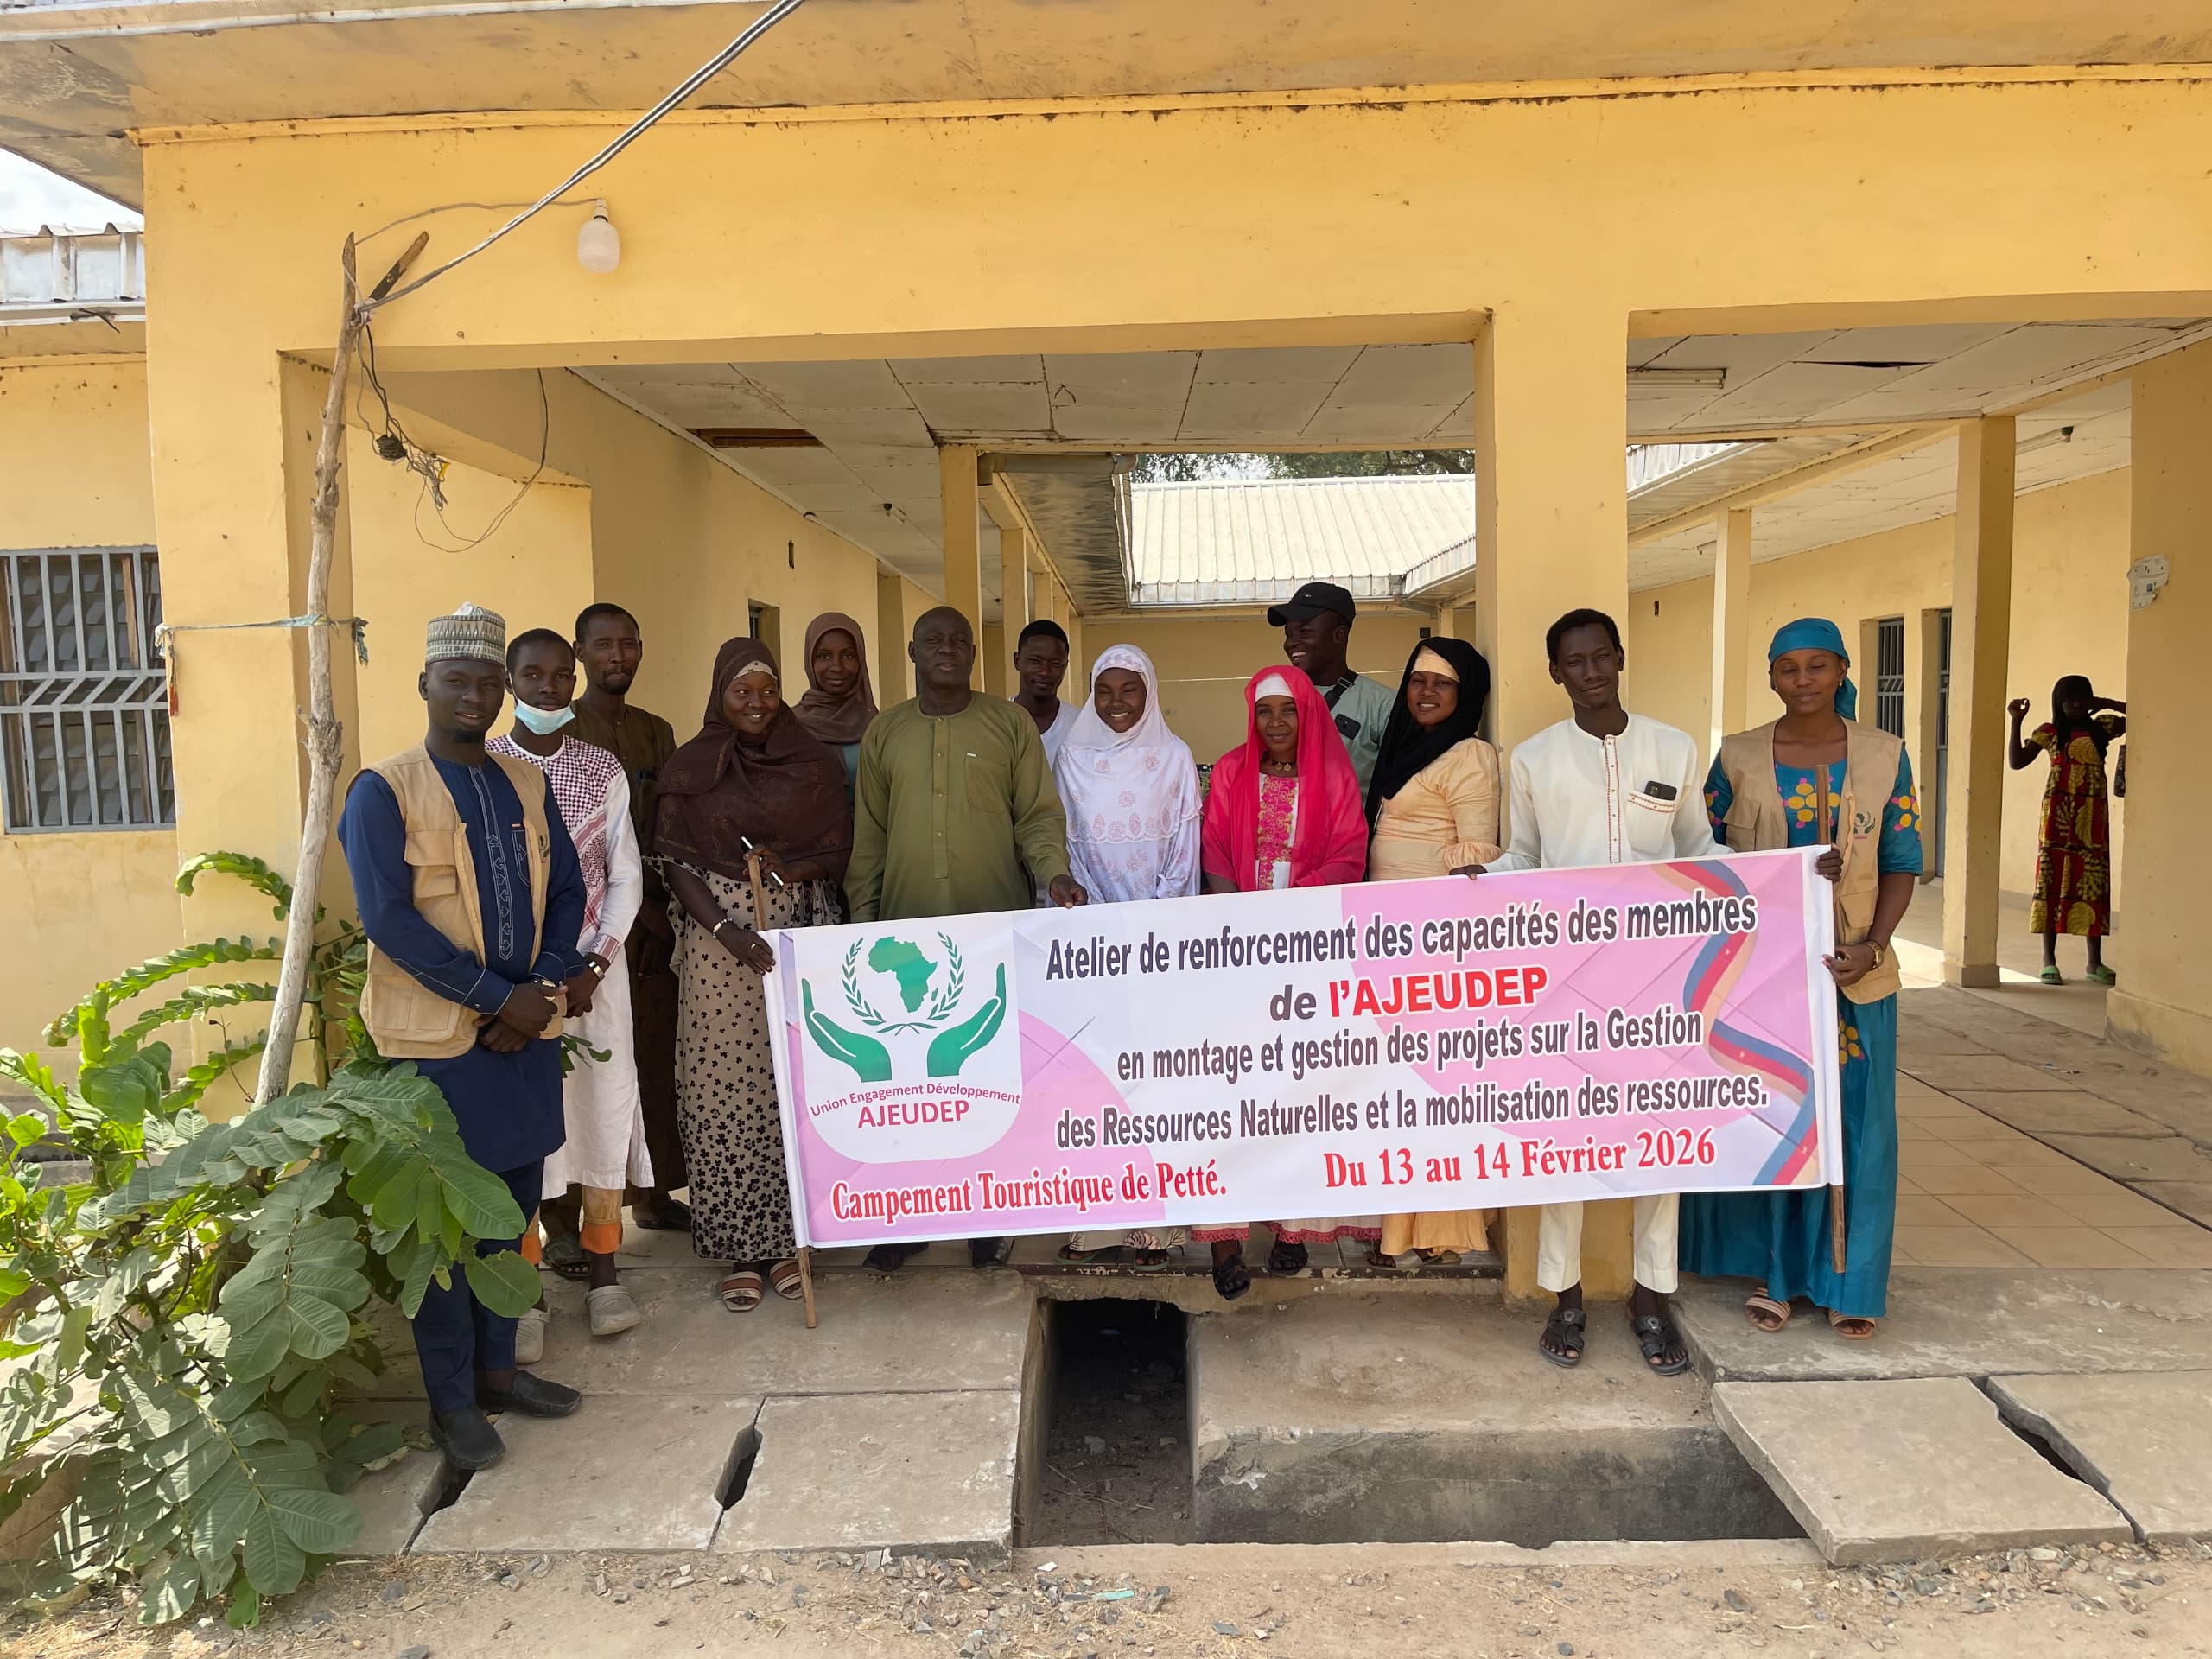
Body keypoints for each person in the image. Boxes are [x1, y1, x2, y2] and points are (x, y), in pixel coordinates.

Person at [336, 603, 585, 1471]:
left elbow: (566, 895)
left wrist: (541, 988)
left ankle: (497, 1375)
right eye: (459, 681)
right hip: (438, 1052)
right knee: (441, 1234)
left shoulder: (524, 784)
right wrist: (495, 1001)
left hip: (521, 1040)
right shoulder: (383, 790)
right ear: (426, 686)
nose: (475, 696)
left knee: (508, 1218)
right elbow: (390, 922)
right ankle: (450, 1403)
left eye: (488, 682)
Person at [1479, 607, 1713, 1376]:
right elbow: (1524, 855)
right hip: (1566, 976)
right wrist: (1480, 881)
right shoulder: (1537, 759)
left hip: (1659, 973)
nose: (1590, 672)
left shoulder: (1673, 748)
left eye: (1601, 657)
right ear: (1556, 672)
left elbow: (1701, 855)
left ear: (1620, 659)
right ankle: (1566, 1294)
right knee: (1564, 1135)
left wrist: (1793, 875)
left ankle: (1651, 1296)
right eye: (1574, 662)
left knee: (1659, 1133)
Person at [1681, 618, 1921, 1341]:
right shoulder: (1741, 757)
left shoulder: (1885, 757)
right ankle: (1779, 1278)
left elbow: (1904, 859)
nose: (1805, 680)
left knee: (1859, 1129)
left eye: (1819, 666)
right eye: (1789, 668)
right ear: (1772, 677)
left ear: (1844, 670)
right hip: (1768, 975)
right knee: (1784, 1118)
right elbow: (1705, 851)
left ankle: (1850, 1284)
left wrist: (1873, 946)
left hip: (1857, 976)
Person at [848, 606, 1087, 1270]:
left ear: (976, 652)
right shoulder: (885, 732)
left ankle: (989, 1218)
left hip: (990, 932)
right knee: (906, 1089)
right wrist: (862, 925)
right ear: (913, 651)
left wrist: (1056, 874)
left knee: (983, 1080)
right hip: (903, 942)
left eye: (959, 641)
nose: (946, 650)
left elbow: (1037, 817)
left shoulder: (1008, 725)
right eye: (933, 641)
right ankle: (906, 1221)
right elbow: (869, 835)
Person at [655, 639, 852, 1313]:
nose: (759, 703)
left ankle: (794, 1240)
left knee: (794, 1089)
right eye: (744, 692)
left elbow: (836, 849)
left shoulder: (813, 763)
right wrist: (725, 930)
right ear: (720, 696)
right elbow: (674, 860)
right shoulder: (690, 767)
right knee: (726, 1092)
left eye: (768, 690)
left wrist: (791, 868)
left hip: (795, 937)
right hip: (721, 950)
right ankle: (741, 1247)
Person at [486, 628, 651, 1356]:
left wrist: (594, 966)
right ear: (510, 682)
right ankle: (524, 1295)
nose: (549, 690)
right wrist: (520, 982)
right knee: (523, 1129)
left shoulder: (601, 768)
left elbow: (625, 876)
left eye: (561, 676)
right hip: (514, 989)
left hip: (593, 983)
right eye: (533, 676)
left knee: (602, 1117)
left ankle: (606, 1275)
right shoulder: (486, 766)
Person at [1192, 669, 1371, 1301]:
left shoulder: (1335, 774)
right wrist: (1242, 925)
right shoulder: (1235, 771)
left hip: (1309, 950)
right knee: (1231, 1090)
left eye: (1287, 711)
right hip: (1237, 954)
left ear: (1307, 716)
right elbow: (1213, 850)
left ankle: (1291, 1230)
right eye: (1264, 711)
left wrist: (1295, 911)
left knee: (1300, 1089)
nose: (1274, 723)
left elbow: (1351, 850)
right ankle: (1225, 1241)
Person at [1052, 644, 1204, 1268]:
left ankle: (1156, 1232)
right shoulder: (1071, 758)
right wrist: (1098, 922)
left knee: (1156, 1084)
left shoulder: (1174, 757)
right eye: (1105, 691)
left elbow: (1183, 847)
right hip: (1092, 945)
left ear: (1150, 692)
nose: (1117, 704)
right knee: (1093, 1085)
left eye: (1130, 690)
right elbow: (1064, 841)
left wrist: (1150, 922)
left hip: (1158, 942)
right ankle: (1094, 1226)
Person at [1363, 638, 1503, 1268]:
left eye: (1441, 685)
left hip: (1433, 951)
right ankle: (1398, 1227)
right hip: (1385, 943)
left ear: (1465, 695)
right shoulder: (1404, 750)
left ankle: (1441, 1231)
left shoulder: (1470, 756)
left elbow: (1475, 854)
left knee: (1432, 1091)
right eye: (1418, 680)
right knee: (1397, 1089)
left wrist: (1438, 943)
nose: (1424, 693)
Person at [569, 602, 690, 1236]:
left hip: (655, 931)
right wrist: (636, 917)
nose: (618, 656)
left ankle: (655, 1192)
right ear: (580, 652)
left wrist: (660, 913)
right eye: (604, 645)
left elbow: (667, 829)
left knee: (655, 1055)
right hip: (587, 929)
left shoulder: (656, 731)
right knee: (584, 1069)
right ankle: (567, 1225)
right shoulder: (560, 733)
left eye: (628, 644)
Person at [2009, 676, 2125, 986]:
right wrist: (2016, 722)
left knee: (2093, 883)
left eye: (2082, 699)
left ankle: (2094, 962)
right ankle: (2049, 960)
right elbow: (2017, 761)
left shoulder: (2103, 728)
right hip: (2058, 817)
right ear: (2058, 703)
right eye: (2070, 699)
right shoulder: (2049, 732)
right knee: (2053, 881)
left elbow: (2143, 715)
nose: (2076, 705)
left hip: (2093, 816)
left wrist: (2106, 704)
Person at [1267, 580, 1395, 792]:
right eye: (1289, 634)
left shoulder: (1382, 704)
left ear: (1339, 635)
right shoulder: (1275, 698)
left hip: (1354, 824)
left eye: (1305, 632)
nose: (1292, 643)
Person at [793, 610, 879, 803]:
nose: (837, 666)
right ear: (810, 661)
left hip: (867, 832)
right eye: (824, 656)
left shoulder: (877, 727)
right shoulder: (788, 725)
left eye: (848, 655)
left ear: (861, 660)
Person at [1009, 619, 1080, 766]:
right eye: (1035, 661)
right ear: (1017, 660)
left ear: (1066, 666)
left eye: (1055, 664)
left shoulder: (1080, 725)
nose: (1045, 672)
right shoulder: (997, 723)